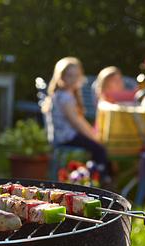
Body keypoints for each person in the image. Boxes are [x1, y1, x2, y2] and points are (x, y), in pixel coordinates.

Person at [42, 57, 112, 185]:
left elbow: (79, 120)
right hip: (65, 137)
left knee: (96, 146)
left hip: (65, 136)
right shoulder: (64, 97)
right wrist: (93, 136)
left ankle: (94, 175)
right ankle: (101, 179)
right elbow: (76, 122)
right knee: (99, 148)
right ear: (60, 77)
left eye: (76, 75)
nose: (73, 79)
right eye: (69, 75)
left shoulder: (66, 94)